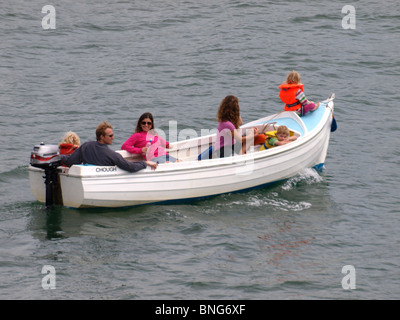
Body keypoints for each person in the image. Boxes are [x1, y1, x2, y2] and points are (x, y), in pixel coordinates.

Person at [61, 121, 157, 172]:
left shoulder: (86, 146)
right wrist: (145, 163)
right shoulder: (111, 155)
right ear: (102, 137)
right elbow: (130, 167)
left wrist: (58, 156)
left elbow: (71, 161)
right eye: (110, 136)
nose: (113, 137)